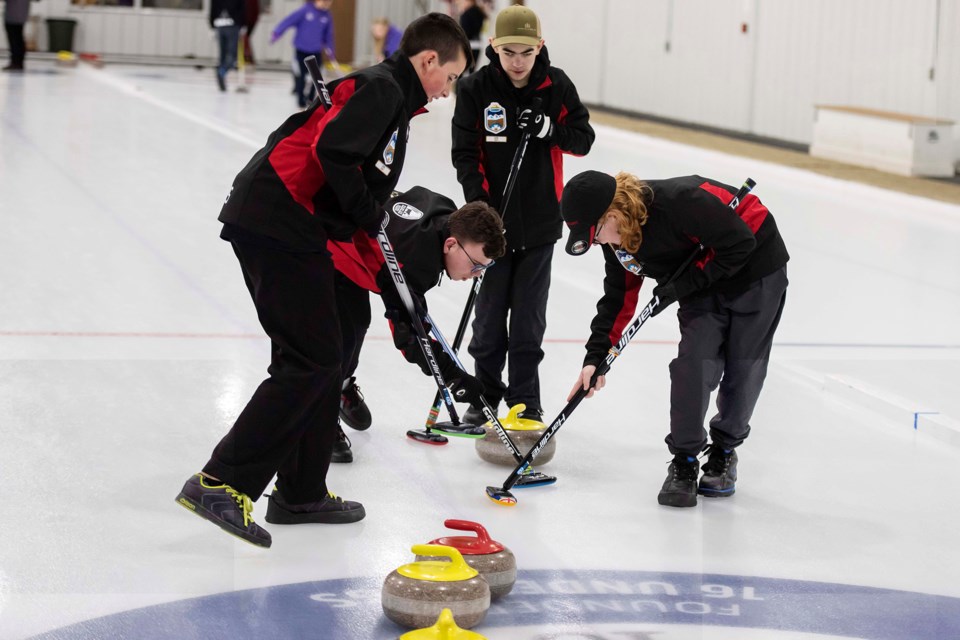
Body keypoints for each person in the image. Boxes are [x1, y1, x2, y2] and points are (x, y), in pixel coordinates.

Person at [175, 13, 472, 548]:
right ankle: (221, 482)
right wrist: (366, 212)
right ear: (429, 61)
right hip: (276, 218)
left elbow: (354, 191)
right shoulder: (383, 91)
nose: (448, 91)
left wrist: (386, 267)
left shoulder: (391, 100)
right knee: (309, 361)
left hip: (296, 226)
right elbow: (331, 154)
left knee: (328, 355)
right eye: (449, 77)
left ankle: (301, 490)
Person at [561, 170, 789, 508]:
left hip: (755, 267)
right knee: (693, 365)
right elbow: (617, 299)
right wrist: (596, 358)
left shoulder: (680, 202)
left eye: (595, 234)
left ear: (613, 214)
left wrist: (685, 285)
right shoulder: (616, 242)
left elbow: (740, 242)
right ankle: (684, 460)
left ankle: (724, 451)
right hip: (700, 278)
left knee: (744, 368)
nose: (597, 243)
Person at [452, 5, 595, 425]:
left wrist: (550, 129)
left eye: (526, 53)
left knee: (529, 320)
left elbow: (583, 139)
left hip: (540, 223)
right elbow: (465, 153)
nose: (517, 62)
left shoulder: (556, 85)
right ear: (493, 47)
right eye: (508, 52)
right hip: (491, 227)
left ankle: (525, 401)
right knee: (490, 316)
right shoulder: (476, 88)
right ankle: (483, 396)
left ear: (540, 48)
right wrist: (481, 207)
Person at [271, 0, 336, 108]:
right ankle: (300, 99)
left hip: (316, 51)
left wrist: (331, 50)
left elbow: (329, 35)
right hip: (302, 49)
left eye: (329, 2)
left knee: (316, 78)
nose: (326, 4)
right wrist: (277, 32)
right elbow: (289, 21)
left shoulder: (327, 16)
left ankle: (311, 99)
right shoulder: (305, 10)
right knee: (301, 75)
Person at [209, 0, 245, 92]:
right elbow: (242, 8)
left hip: (223, 24)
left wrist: (212, 24)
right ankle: (222, 72)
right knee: (231, 55)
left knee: (224, 55)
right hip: (231, 25)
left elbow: (213, 8)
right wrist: (243, 24)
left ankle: (222, 74)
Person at [456, 0, 486, 73]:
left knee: (462, 70)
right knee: (471, 71)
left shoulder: (466, 14)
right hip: (477, 44)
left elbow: (465, 31)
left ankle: (461, 84)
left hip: (468, 44)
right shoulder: (480, 12)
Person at [3, 0, 28, 72]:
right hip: (19, 13)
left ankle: (16, 62)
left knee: (15, 38)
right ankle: (18, 62)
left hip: (14, 14)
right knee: (18, 37)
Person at [241, 0, 260, 65]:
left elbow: (255, 12)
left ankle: (247, 57)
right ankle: (246, 57)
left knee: (244, 39)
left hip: (247, 21)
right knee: (244, 39)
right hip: (245, 21)